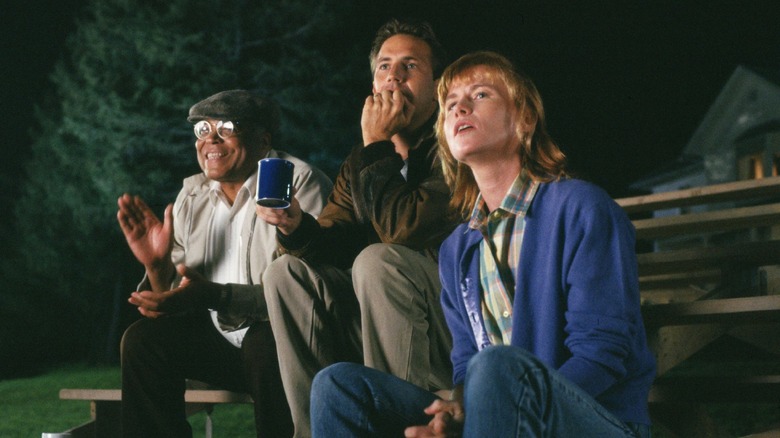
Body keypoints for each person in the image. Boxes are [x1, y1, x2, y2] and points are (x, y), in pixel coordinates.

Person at [310, 51, 656, 438]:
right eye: (450, 105)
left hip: (594, 421)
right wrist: (457, 414)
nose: (459, 108)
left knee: (496, 366)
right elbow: (465, 366)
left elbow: (603, 354)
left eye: (480, 95)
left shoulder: (581, 207)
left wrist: (505, 397)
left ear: (524, 118)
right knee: (339, 386)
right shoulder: (458, 248)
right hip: (497, 417)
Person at [255, 18, 457, 437]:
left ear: (437, 83)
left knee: (379, 259)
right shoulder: (361, 162)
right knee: (285, 272)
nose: (393, 77)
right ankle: (316, 429)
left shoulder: (452, 147)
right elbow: (335, 240)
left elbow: (404, 231)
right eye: (384, 67)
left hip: (444, 325)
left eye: (410, 66)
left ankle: (399, 423)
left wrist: (378, 147)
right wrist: (296, 227)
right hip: (375, 324)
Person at [116, 89, 332, 438]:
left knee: (264, 342)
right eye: (202, 130)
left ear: (263, 141)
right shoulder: (192, 194)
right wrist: (157, 268)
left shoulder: (297, 183)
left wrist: (218, 297)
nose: (210, 139)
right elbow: (179, 300)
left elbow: (307, 294)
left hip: (286, 345)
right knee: (143, 341)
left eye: (226, 128)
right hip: (221, 341)